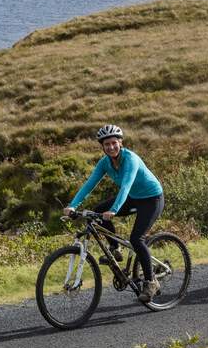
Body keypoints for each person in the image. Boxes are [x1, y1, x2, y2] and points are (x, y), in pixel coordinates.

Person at [64, 123, 166, 299]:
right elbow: (89, 185)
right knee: (97, 211)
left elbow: (125, 186)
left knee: (136, 239)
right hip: (134, 197)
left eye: (114, 143)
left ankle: (151, 283)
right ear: (102, 147)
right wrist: (73, 205)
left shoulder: (131, 159)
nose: (111, 147)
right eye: (106, 144)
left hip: (152, 199)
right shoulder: (105, 163)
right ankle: (115, 246)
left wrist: (114, 210)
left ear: (120, 142)